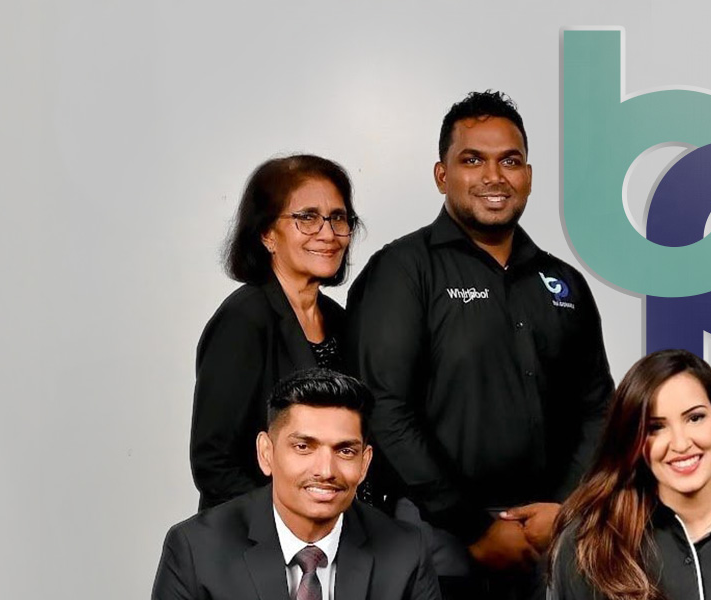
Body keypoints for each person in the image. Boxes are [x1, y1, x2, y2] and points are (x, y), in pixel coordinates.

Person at [349, 90, 615, 599]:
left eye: (509, 161)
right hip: (435, 536)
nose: (494, 176)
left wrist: (564, 509)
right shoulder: (403, 270)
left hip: (549, 536)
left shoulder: (563, 283)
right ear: (441, 175)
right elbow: (383, 408)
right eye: (472, 160)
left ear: (528, 176)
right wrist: (474, 527)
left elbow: (598, 409)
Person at [155, 369, 441, 600]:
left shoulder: (406, 552)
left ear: (364, 463)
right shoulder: (196, 550)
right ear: (266, 453)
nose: (326, 471)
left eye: (345, 451)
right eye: (303, 447)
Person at [552, 350, 711, 600]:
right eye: (656, 427)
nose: (680, 443)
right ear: (634, 442)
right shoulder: (586, 545)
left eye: (695, 418)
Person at [192, 155, 361, 510]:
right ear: (267, 234)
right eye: (307, 217)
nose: (328, 234)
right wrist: (290, 525)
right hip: (253, 532)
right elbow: (214, 463)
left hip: (334, 527)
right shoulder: (243, 320)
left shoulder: (341, 321)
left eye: (337, 217)